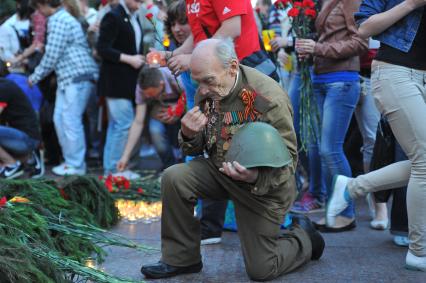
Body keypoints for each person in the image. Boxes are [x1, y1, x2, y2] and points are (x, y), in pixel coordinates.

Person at [140, 38, 325, 281]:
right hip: (222, 171)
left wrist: (256, 176)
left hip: (262, 186)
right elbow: (198, 147)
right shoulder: (208, 90)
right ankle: (182, 259)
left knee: (262, 269)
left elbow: (289, 161)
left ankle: (304, 237)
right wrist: (188, 134)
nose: (203, 89)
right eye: (198, 82)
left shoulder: (267, 96)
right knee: (175, 177)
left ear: (233, 67)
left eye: (208, 80)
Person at [327, 0, 426, 271]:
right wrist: (411, 4)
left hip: (421, 77)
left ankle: (352, 187)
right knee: (424, 160)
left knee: (423, 163)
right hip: (396, 74)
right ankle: (418, 251)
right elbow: (364, 27)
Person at [296, 0, 368, 231]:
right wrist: (310, 52)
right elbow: (331, 38)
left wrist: (317, 49)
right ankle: (332, 209)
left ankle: (345, 213)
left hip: (342, 80)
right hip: (322, 79)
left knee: (331, 149)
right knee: (323, 149)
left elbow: (360, 42)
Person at [29, 0, 98, 176]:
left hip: (76, 76)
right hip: (69, 78)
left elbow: (52, 55)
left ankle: (75, 165)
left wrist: (35, 76)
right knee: (60, 118)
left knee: (70, 121)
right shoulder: (61, 18)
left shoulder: (58, 20)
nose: (38, 11)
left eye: (37, 7)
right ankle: (71, 162)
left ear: (43, 4)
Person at [97, 0, 144, 177]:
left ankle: (112, 168)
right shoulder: (113, 15)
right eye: (137, 0)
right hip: (114, 81)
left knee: (117, 125)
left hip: (125, 81)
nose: (140, 4)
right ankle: (115, 170)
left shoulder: (131, 16)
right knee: (123, 124)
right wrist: (129, 59)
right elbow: (102, 48)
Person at [116, 66, 182, 173]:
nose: (146, 96)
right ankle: (169, 167)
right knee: (154, 131)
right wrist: (125, 157)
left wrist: (178, 109)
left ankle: (184, 166)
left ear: (162, 84)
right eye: (145, 93)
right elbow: (138, 122)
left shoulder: (175, 78)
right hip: (158, 113)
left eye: (150, 94)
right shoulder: (141, 88)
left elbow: (192, 99)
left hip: (182, 109)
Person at [0, 78, 43, 179]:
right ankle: (26, 158)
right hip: (19, 137)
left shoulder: (3, 87)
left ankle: (12, 164)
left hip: (28, 139)